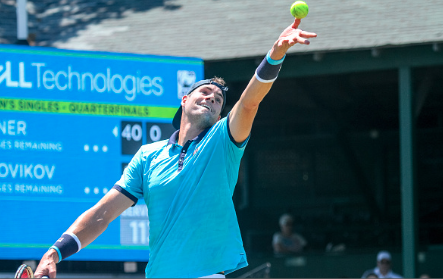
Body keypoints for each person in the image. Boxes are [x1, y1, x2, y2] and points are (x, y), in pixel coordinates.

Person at [34, 18, 317, 278]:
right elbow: (102, 214)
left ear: (220, 115)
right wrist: (55, 252)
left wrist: (275, 54)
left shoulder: (223, 141)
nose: (212, 98)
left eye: (218, 99)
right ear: (184, 100)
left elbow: (249, 102)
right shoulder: (147, 156)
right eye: (205, 92)